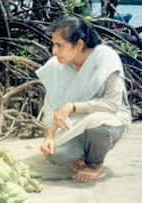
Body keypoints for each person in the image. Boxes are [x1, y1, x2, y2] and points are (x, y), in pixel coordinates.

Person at [36, 16, 131, 182]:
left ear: (79, 45)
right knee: (55, 154)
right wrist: (49, 137)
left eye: (59, 45)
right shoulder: (56, 65)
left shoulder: (106, 58)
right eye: (53, 44)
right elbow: (50, 108)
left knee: (99, 126)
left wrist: (73, 107)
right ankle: (82, 154)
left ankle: (94, 163)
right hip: (75, 124)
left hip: (110, 119)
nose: (54, 51)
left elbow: (112, 104)